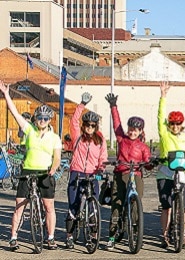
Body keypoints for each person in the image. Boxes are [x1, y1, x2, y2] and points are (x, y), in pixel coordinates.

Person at [2, 80, 62, 251]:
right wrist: (6, 94)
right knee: (19, 205)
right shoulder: (29, 129)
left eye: (45, 118)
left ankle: (50, 238)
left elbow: (56, 157)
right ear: (35, 118)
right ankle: (13, 237)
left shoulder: (54, 137)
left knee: (48, 206)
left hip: (45, 173)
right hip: (27, 171)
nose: (42, 120)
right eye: (39, 118)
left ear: (49, 119)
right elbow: (15, 114)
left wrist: (53, 169)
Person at [104, 92, 152, 250]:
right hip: (120, 173)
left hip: (136, 174)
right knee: (117, 205)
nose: (132, 132)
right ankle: (111, 236)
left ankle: (136, 233)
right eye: (130, 129)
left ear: (140, 131)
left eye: (135, 130)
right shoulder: (121, 139)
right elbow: (117, 124)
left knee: (136, 205)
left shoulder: (143, 146)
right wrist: (113, 106)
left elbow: (147, 161)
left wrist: (150, 164)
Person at [64, 92, 108, 249]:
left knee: (93, 207)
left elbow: (103, 157)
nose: (90, 128)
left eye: (93, 125)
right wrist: (82, 104)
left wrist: (101, 169)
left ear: (96, 127)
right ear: (84, 126)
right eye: (88, 125)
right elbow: (73, 121)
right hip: (77, 172)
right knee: (73, 206)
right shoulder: (78, 136)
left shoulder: (100, 140)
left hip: (92, 174)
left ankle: (93, 234)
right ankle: (69, 236)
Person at [156, 82, 185, 249]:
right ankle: (165, 235)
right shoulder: (165, 134)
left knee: (184, 208)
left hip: (182, 174)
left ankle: (183, 235)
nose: (174, 126)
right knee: (166, 207)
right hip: (166, 173)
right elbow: (160, 118)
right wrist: (163, 97)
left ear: (181, 125)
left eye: (177, 124)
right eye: (172, 124)